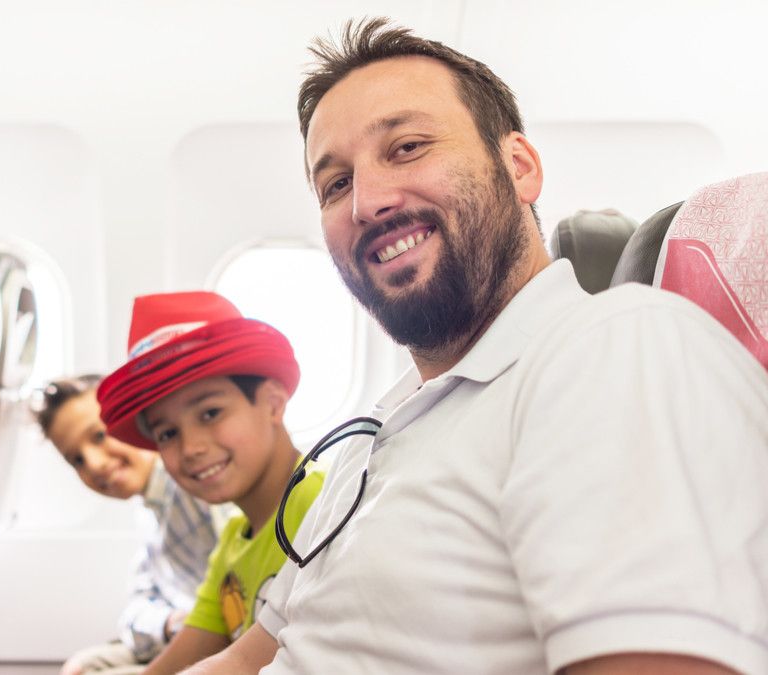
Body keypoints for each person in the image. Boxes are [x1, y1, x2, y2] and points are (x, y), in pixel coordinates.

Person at [187, 16, 768, 675]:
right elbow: (251, 656)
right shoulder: (372, 433)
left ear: (519, 167)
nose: (366, 202)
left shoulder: (614, 350)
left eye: (407, 147)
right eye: (336, 184)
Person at [96, 291, 325, 674]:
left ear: (272, 403)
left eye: (210, 413)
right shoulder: (234, 539)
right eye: (167, 434)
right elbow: (182, 657)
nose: (190, 448)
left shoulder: (322, 502)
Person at [37, 375, 222, 674]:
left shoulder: (195, 485)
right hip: (180, 632)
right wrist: (169, 623)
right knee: (80, 667)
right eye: (77, 460)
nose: (94, 463)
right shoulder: (148, 511)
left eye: (99, 436)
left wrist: (182, 625)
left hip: (215, 639)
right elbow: (137, 606)